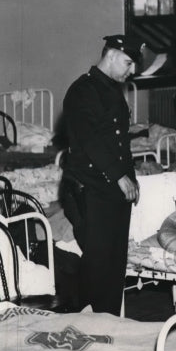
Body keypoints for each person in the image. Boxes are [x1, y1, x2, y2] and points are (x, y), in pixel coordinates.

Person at [59, 34, 141, 315]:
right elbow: (91, 139)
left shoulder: (110, 89)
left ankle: (109, 324)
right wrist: (120, 175)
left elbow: (120, 142)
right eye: (129, 63)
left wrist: (131, 177)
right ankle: (89, 326)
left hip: (110, 189)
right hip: (89, 188)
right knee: (97, 263)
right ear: (112, 55)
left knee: (114, 262)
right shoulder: (82, 91)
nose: (132, 71)